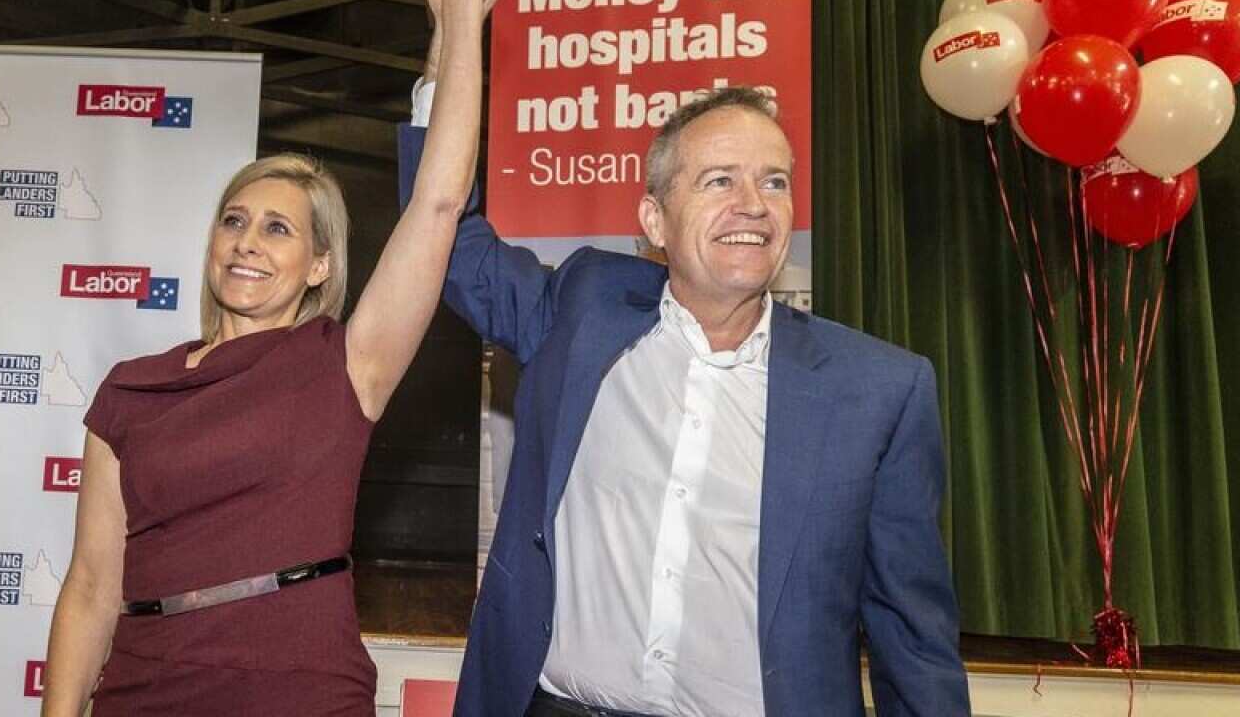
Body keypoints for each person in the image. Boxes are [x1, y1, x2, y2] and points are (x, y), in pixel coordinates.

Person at [400, 74, 971, 714]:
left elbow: (913, 640)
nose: (753, 203)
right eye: (719, 180)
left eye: (774, 181)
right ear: (655, 220)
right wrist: (451, 38)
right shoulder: (584, 310)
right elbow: (449, 246)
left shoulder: (878, 390)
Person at [40, 0, 491, 714]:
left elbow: (436, 204)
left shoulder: (343, 365)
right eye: (235, 221)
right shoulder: (131, 390)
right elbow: (92, 585)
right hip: (144, 685)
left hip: (296, 683)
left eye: (278, 229)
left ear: (319, 264)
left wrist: (461, 24)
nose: (248, 241)